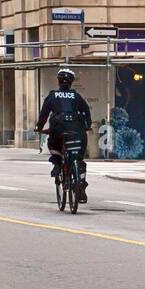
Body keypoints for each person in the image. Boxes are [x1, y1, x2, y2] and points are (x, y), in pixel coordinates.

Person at [36, 67, 93, 203]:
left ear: (59, 81)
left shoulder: (53, 95)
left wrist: (39, 127)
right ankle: (81, 184)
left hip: (58, 129)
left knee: (53, 143)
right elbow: (86, 111)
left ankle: (56, 163)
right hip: (77, 130)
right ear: (71, 82)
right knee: (79, 159)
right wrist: (87, 126)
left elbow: (44, 113)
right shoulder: (76, 96)